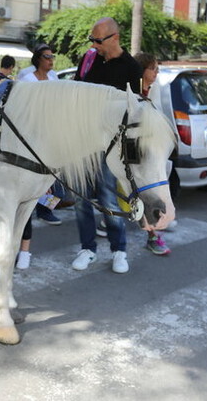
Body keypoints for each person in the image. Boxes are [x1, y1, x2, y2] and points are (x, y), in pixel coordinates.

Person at [71, 17, 143, 274]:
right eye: (92, 40)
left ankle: (119, 251)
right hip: (84, 140)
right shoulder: (90, 59)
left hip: (109, 144)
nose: (94, 45)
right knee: (81, 198)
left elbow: (133, 110)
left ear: (114, 38)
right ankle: (87, 248)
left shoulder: (132, 68)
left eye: (97, 40)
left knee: (108, 199)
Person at [15, 44, 64, 270]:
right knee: (22, 202)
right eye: (47, 57)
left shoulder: (54, 79)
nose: (51, 60)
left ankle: (26, 248)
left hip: (51, 141)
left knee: (41, 192)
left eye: (52, 56)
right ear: (38, 59)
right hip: (28, 142)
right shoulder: (27, 81)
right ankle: (19, 248)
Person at [132, 52, 170, 255]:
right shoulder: (130, 90)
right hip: (132, 154)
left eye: (158, 69)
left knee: (151, 195)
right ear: (142, 70)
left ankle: (153, 233)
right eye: (153, 68)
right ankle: (152, 235)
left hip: (151, 153)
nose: (156, 73)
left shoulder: (155, 91)